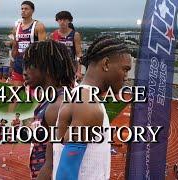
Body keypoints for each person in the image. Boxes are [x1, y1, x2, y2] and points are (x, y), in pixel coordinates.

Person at [49, 36, 132, 180]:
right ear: (106, 64)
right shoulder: (87, 105)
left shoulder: (82, 97)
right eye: (125, 69)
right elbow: (66, 174)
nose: (126, 77)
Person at [22, 40, 75, 179]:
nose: (24, 72)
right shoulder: (50, 98)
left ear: (48, 68)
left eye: (30, 66)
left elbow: (54, 162)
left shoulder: (57, 105)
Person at [9, 1, 46, 112]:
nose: (23, 11)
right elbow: (15, 47)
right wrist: (12, 62)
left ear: (32, 11)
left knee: (37, 93)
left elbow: (42, 48)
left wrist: (41, 65)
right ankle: (9, 120)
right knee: (15, 92)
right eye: (22, 9)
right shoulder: (17, 27)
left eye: (26, 9)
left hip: (32, 62)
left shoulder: (38, 26)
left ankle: (40, 117)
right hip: (19, 61)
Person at [50, 11, 83, 82]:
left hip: (71, 67)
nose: (62, 22)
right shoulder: (53, 35)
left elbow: (79, 54)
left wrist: (79, 71)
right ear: (57, 21)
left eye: (64, 20)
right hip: (57, 68)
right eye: (60, 20)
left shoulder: (75, 35)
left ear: (69, 21)